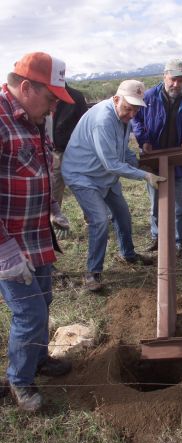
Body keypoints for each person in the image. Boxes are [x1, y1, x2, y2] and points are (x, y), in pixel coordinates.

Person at [0, 52, 73, 411]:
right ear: (26, 87)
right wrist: (5, 252)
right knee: (29, 315)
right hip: (10, 244)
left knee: (43, 303)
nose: (53, 108)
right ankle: (19, 381)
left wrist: (52, 208)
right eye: (50, 99)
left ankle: (37, 359)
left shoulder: (33, 118)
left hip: (37, 235)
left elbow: (39, 166)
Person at [62, 79, 166, 292]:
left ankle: (128, 254)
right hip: (83, 175)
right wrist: (145, 175)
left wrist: (140, 163)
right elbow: (111, 164)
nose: (131, 115)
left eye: (136, 110)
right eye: (128, 109)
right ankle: (93, 273)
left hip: (104, 176)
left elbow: (123, 152)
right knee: (100, 220)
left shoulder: (124, 116)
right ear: (116, 99)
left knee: (123, 215)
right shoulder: (104, 119)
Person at [132, 59, 182, 255]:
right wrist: (144, 140)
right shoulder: (147, 97)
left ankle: (178, 241)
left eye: (180, 80)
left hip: (179, 161)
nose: (176, 84)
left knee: (180, 207)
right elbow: (136, 119)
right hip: (154, 160)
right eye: (173, 79)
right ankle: (157, 238)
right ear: (164, 76)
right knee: (156, 203)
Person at [52, 83, 88, 207]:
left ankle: (91, 217)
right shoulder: (47, 95)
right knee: (55, 187)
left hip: (74, 151)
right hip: (54, 151)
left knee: (82, 185)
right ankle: (54, 218)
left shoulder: (76, 97)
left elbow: (85, 124)